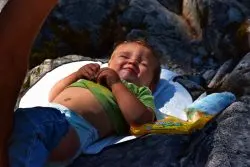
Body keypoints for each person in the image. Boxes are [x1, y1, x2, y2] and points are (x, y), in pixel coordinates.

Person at [8, 37, 161, 166]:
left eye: (143, 63)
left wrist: (116, 84)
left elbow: (141, 121)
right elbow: (54, 94)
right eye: (125, 57)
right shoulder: (92, 78)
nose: (132, 62)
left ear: (152, 85)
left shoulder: (138, 92)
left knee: (27, 121)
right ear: (109, 63)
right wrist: (77, 75)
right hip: (52, 119)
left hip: (70, 128)